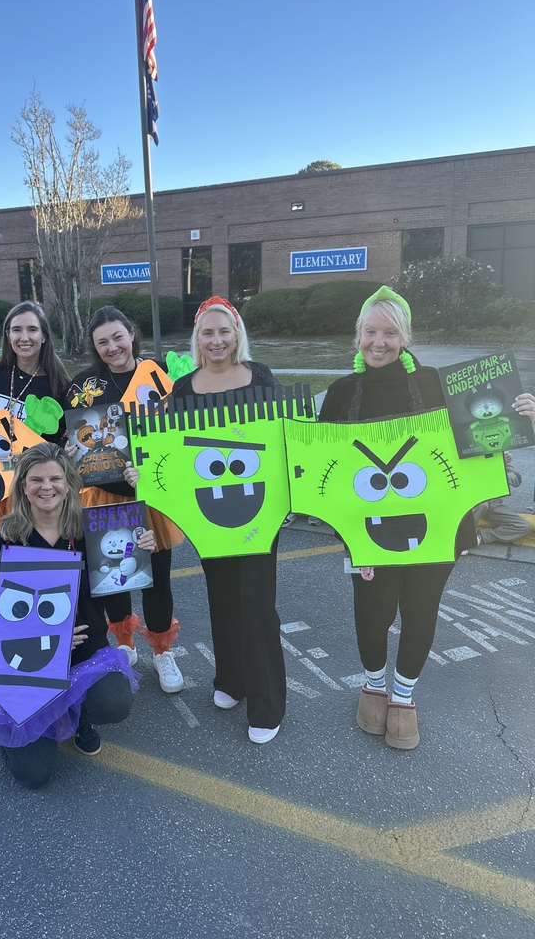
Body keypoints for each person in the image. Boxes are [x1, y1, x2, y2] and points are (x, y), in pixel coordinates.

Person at [317, 285, 480, 750]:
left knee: (419, 609)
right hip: (366, 527)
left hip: (437, 523)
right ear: (358, 336)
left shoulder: (434, 383)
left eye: (390, 332)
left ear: (405, 336)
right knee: (373, 609)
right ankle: (372, 685)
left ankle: (404, 696)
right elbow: (322, 472)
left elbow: (478, 442)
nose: (379, 342)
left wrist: (518, 416)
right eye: (371, 332)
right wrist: (344, 531)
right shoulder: (341, 393)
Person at [0, 442, 150, 788]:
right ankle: (26, 727)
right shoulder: (5, 540)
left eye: (55, 478)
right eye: (36, 479)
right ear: (22, 485)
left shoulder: (92, 532)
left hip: (81, 649)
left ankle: (76, 715)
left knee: (115, 702)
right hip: (22, 659)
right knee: (35, 775)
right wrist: (47, 640)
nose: (46, 487)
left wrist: (140, 552)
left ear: (69, 482)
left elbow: (117, 589)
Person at [171, 296, 287, 744]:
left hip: (259, 511)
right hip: (209, 512)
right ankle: (232, 681)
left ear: (237, 334)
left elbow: (285, 439)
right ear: (197, 339)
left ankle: (267, 703)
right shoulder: (183, 389)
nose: (216, 340)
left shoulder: (260, 378)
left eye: (224, 331)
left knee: (257, 605)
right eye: (207, 332)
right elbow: (176, 457)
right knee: (222, 599)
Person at [65, 306, 185, 694]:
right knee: (114, 575)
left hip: (152, 494)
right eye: (103, 342)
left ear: (132, 334)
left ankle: (163, 651)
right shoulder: (83, 387)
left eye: (118, 337)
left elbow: (181, 435)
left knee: (157, 578)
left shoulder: (159, 377)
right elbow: (74, 439)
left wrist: (151, 473)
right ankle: (124, 641)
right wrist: (69, 451)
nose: (112, 347)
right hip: (104, 493)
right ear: (94, 346)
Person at [0, 300, 69, 447]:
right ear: (8, 335)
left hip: (36, 468)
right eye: (17, 330)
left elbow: (65, 437)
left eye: (32, 329)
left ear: (43, 336)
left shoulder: (59, 384)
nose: (24, 338)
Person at [473, 451, 530, 545]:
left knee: (523, 526)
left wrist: (501, 462)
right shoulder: (470, 453)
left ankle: (480, 537)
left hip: (494, 504)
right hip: (475, 500)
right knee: (482, 504)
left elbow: (517, 479)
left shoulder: (500, 453)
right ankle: (463, 538)